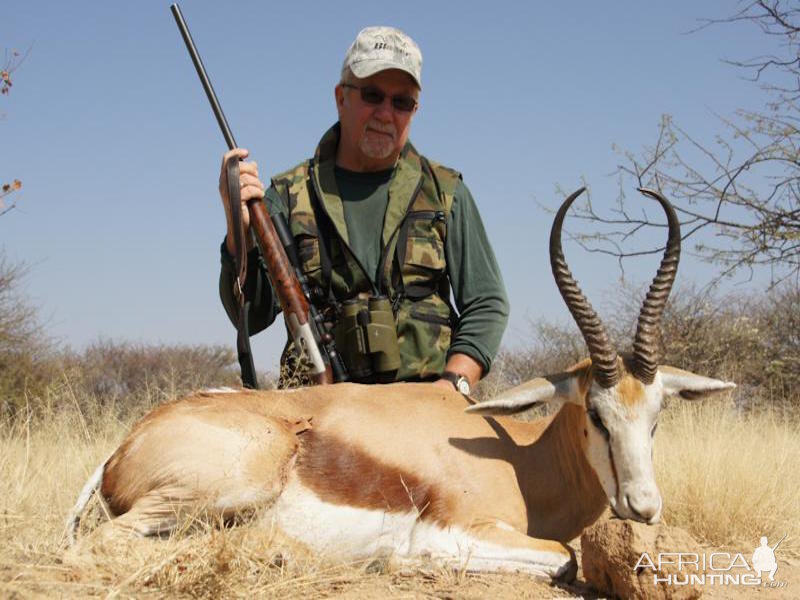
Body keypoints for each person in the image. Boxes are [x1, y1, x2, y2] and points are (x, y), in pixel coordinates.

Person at [218, 26, 508, 393]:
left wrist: (453, 386)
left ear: (414, 110)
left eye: (402, 102)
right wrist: (237, 233)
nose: (387, 113)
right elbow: (251, 316)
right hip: (316, 410)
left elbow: (487, 302)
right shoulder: (286, 196)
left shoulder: (446, 192)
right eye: (373, 95)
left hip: (425, 406)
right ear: (341, 98)